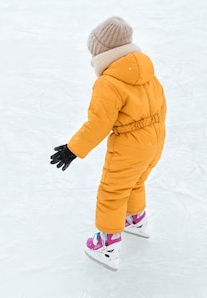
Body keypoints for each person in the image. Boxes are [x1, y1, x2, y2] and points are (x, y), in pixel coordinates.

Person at [50, 16, 166, 271]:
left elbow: (99, 124)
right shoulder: (147, 71)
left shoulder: (108, 82)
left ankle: (107, 244)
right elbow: (162, 105)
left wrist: (73, 149)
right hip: (155, 140)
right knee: (135, 182)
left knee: (112, 191)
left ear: (102, 52)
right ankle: (136, 220)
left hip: (130, 145)